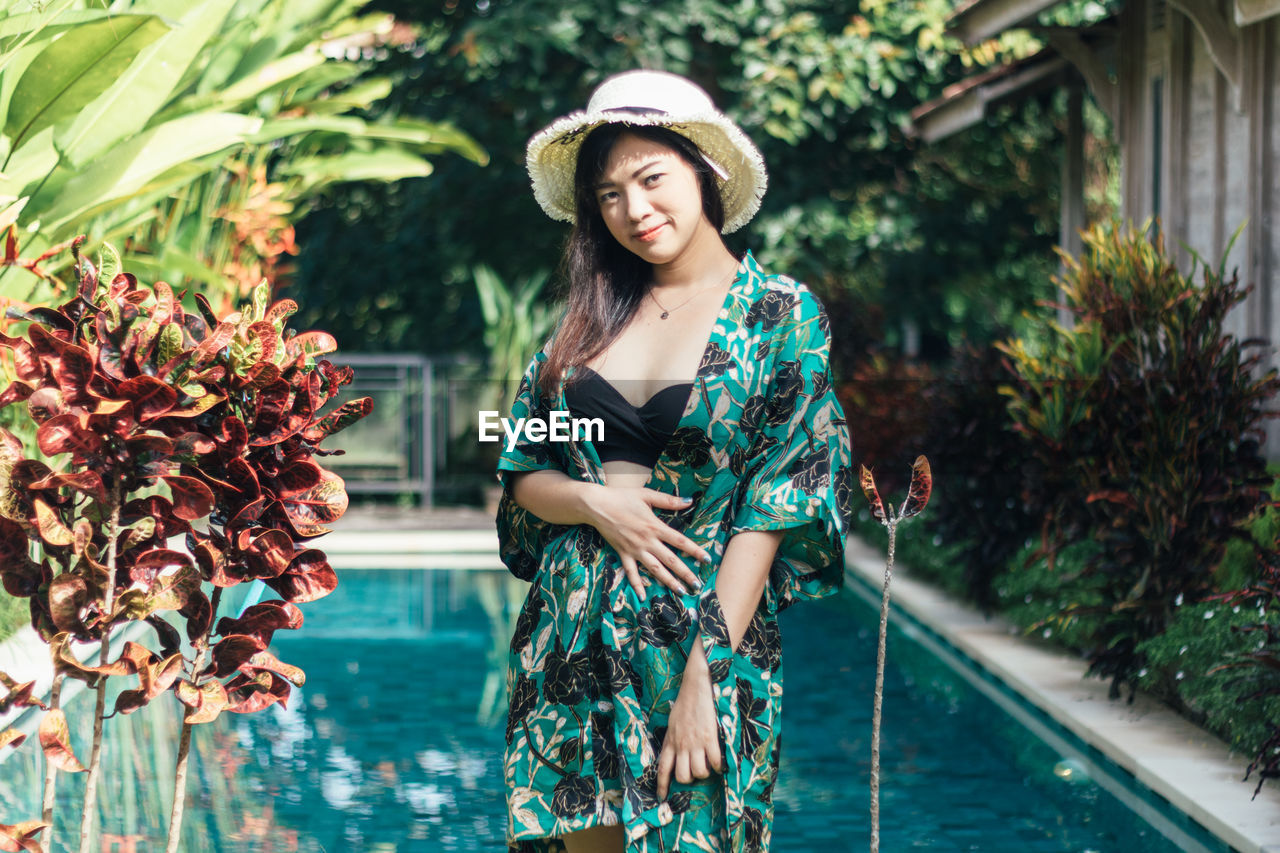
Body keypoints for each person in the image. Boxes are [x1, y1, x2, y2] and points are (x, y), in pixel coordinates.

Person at [496, 69, 854, 853]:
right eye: (610, 194)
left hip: (696, 642)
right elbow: (525, 467)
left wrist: (708, 673)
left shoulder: (780, 316)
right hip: (570, 641)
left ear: (705, 170)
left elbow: (780, 497)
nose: (634, 209)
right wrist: (596, 505)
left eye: (651, 178)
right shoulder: (586, 321)